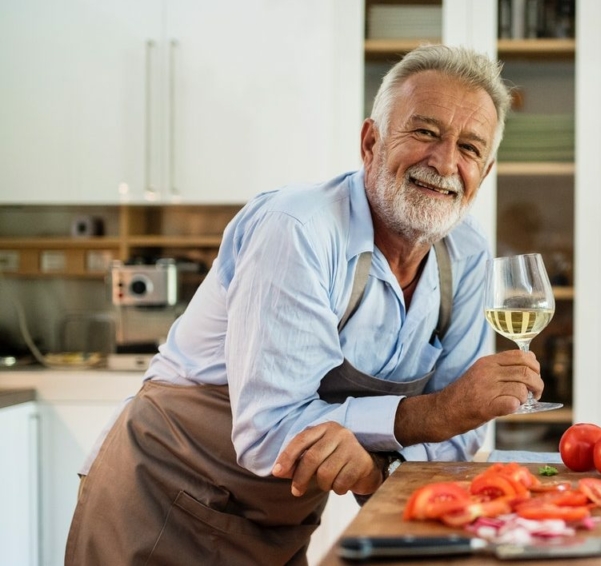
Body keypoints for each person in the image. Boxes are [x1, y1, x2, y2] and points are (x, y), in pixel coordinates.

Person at [65, 44, 538, 564]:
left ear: (485, 172)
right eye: (424, 132)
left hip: (281, 520)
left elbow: (459, 441)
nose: (445, 162)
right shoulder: (298, 230)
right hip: (162, 500)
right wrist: (435, 414)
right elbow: (271, 430)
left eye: (469, 147)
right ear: (370, 142)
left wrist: (380, 466)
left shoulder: (466, 254)